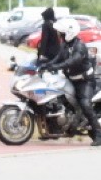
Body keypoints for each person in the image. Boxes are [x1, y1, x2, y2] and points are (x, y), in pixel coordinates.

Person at [39, 17, 101, 146]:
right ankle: (54, 128)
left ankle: (98, 134)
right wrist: (45, 65)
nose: (59, 34)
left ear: (68, 32)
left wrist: (55, 67)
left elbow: (72, 61)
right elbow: (58, 58)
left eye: (61, 32)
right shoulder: (65, 45)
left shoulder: (80, 46)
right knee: (55, 98)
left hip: (85, 82)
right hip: (70, 79)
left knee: (85, 103)